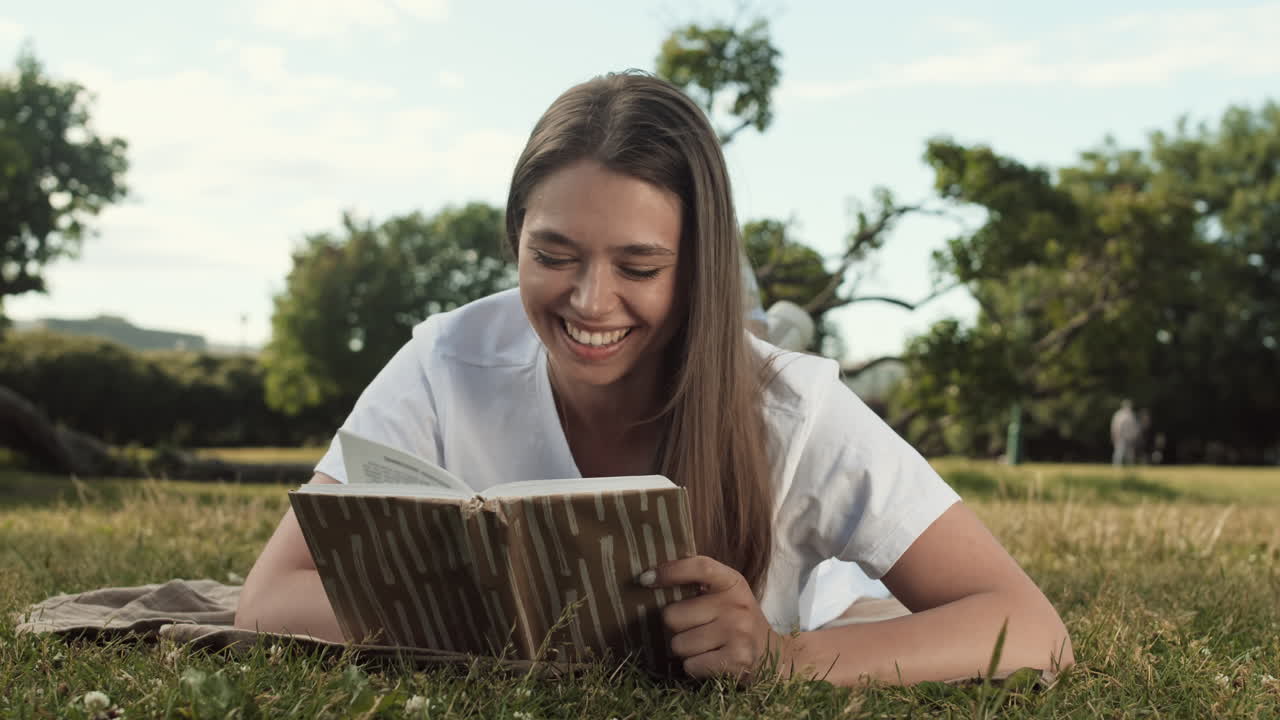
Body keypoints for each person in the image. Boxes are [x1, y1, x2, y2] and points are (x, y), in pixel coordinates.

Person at [235, 71, 1073, 686]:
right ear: (515, 239)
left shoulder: (790, 406)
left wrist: (781, 658)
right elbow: (268, 599)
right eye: (552, 255)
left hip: (810, 601)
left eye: (639, 265)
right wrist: (494, 629)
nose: (589, 301)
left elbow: (1032, 626)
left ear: (699, 268)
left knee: (845, 597)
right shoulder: (447, 359)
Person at [1111, 399, 1141, 467]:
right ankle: (1116, 466)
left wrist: (1135, 435)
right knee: (1119, 452)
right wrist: (1115, 435)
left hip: (1130, 437)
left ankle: (1130, 467)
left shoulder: (1131, 414)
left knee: (1130, 454)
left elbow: (1135, 427)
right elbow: (1116, 426)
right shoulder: (1119, 414)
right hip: (1121, 437)